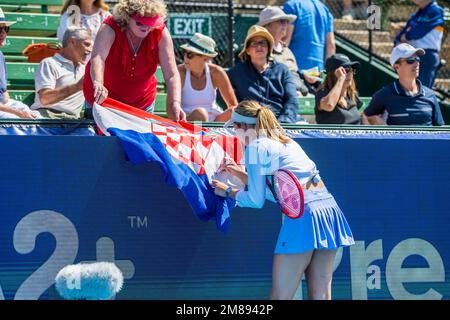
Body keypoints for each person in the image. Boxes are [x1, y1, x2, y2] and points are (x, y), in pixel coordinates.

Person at [211, 100, 354, 300]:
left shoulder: (255, 148)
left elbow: (255, 199)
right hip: (327, 210)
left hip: (304, 214)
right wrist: (238, 172)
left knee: (280, 296)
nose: (234, 131)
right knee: (321, 295)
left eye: (235, 126)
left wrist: (227, 191)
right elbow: (280, 191)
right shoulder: (285, 141)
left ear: (244, 126)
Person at [83, 0, 185, 121]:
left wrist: (175, 102)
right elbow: (98, 57)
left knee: (138, 140)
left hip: (141, 104)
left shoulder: (160, 32)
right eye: (140, 23)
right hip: (103, 101)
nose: (146, 27)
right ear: (126, 17)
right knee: (102, 139)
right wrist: (98, 82)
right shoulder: (110, 27)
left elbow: (171, 74)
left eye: (150, 23)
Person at [227, 25, 300, 124]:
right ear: (247, 50)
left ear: (269, 48)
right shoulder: (236, 72)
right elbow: (221, 96)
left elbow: (292, 100)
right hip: (248, 125)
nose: (259, 46)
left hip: (279, 124)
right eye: (254, 43)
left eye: (263, 43)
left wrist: (283, 123)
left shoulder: (282, 70)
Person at [364, 43, 444, 126]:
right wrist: (382, 128)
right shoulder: (384, 95)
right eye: (411, 60)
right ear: (397, 67)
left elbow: (440, 129)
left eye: (417, 59)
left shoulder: (430, 94)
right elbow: (365, 117)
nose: (416, 63)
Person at [31, 27, 93, 119]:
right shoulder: (50, 63)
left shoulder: (86, 68)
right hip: (48, 118)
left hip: (74, 122)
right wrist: (77, 86)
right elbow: (44, 99)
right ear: (72, 42)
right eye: (87, 44)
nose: (90, 49)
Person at [178, 33, 237, 122]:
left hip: (214, 124)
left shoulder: (217, 72)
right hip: (189, 125)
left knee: (236, 111)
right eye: (184, 53)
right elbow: (173, 106)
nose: (185, 57)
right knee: (200, 114)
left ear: (205, 58)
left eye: (190, 54)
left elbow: (233, 105)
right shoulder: (180, 72)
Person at [257, 6, 313, 96]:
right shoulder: (260, 51)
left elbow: (294, 73)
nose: (286, 25)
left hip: (300, 95)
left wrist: (305, 76)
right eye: (281, 21)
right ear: (267, 26)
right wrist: (289, 93)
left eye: (287, 22)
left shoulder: (287, 51)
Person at [0, 8, 41, 119]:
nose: (3, 33)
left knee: (36, 118)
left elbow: (4, 93)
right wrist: (18, 113)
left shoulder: (0, 55)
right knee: (23, 122)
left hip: (4, 106)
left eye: (6, 28)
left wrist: (18, 110)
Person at [394, 0, 445, 88]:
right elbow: (399, 37)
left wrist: (407, 35)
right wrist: (402, 37)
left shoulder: (435, 10)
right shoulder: (418, 13)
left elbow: (416, 32)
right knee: (410, 92)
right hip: (413, 55)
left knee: (421, 93)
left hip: (426, 55)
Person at [283, 0, 336, 71]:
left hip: (295, 71)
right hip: (318, 72)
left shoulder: (291, 5)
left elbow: (285, 40)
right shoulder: (325, 9)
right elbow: (331, 46)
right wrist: (328, 73)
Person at [315, 54, 368, 124]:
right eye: (345, 70)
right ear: (333, 74)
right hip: (332, 134)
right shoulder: (323, 92)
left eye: (352, 70)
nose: (350, 74)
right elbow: (328, 105)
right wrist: (340, 79)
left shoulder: (351, 95)